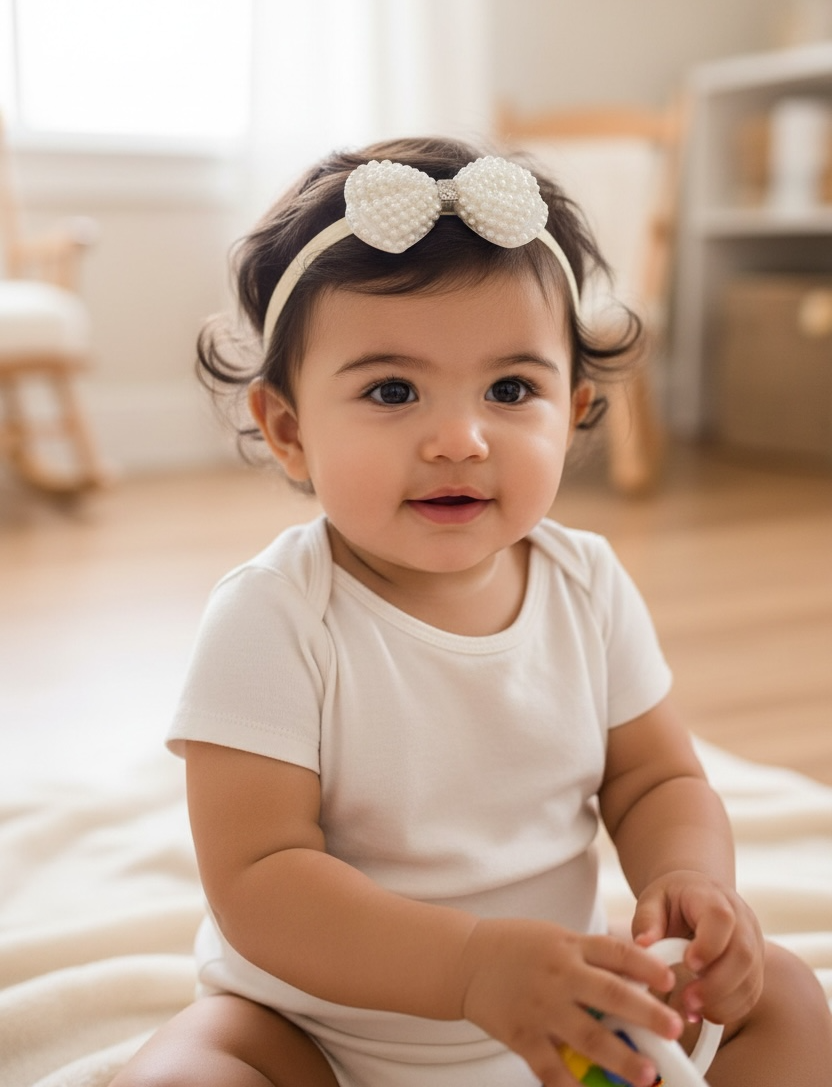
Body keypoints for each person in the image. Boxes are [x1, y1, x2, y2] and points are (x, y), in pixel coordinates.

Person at [112, 137, 832, 1087]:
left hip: (567, 1034)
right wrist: (469, 967)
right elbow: (259, 881)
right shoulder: (276, 616)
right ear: (289, 431)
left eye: (510, 389)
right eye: (392, 390)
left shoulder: (587, 584)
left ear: (572, 413)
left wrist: (691, 881)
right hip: (322, 1040)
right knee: (196, 1068)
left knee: (782, 995)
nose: (460, 438)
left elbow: (656, 779)